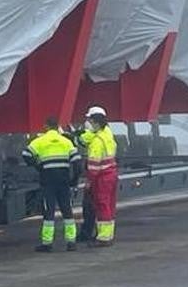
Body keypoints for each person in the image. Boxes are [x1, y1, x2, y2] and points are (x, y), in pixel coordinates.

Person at [22, 116, 81, 252]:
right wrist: (74, 179)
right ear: (57, 126)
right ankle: (71, 242)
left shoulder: (40, 141)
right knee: (67, 211)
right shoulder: (66, 142)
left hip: (48, 182)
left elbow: (26, 154)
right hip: (64, 181)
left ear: (46, 126)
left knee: (49, 212)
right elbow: (77, 162)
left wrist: (38, 166)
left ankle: (47, 243)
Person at [79, 105, 118, 247]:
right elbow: (87, 137)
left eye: (90, 120)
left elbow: (94, 165)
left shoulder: (97, 142)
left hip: (101, 177)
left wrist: (89, 181)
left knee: (102, 205)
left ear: (95, 121)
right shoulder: (107, 133)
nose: (88, 122)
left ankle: (103, 237)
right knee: (109, 205)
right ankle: (108, 234)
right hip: (111, 173)